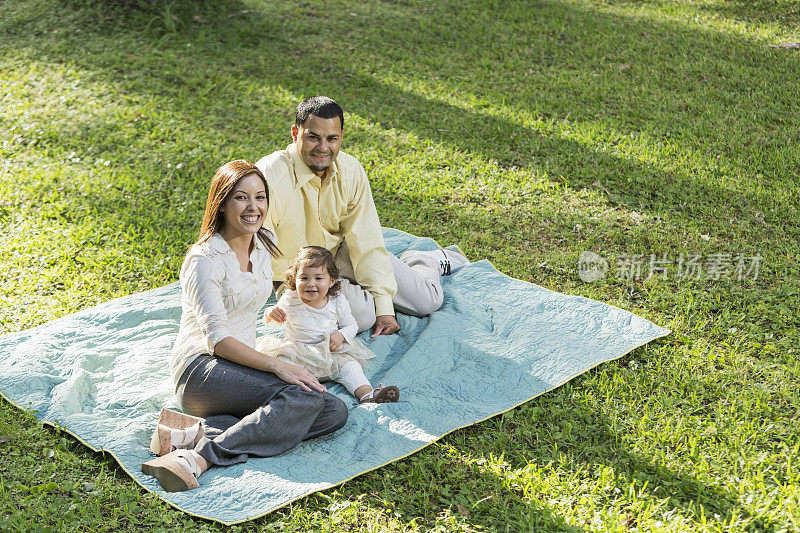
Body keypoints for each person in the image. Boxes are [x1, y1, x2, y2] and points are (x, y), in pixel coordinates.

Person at [141, 160, 348, 492]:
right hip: (200, 371)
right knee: (299, 396)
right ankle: (198, 458)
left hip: (239, 368)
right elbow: (218, 341)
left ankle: (195, 433)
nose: (254, 207)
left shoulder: (264, 240)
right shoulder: (203, 260)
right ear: (222, 204)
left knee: (333, 410)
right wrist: (278, 365)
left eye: (261, 197)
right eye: (241, 197)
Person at [255, 96, 469, 338]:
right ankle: (367, 289)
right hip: (299, 276)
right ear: (295, 133)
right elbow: (257, 243)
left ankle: (422, 261)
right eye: (313, 137)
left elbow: (366, 240)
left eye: (332, 139)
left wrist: (385, 307)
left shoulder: (351, 169)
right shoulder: (269, 173)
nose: (323, 147)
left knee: (427, 301)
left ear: (341, 136)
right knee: (364, 316)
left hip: (341, 254)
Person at [258, 246, 400, 403]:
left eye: (318, 278)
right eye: (304, 278)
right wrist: (270, 313)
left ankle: (367, 393)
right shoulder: (291, 298)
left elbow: (351, 325)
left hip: (329, 353)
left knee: (350, 366)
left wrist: (341, 335)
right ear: (294, 279)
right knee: (281, 364)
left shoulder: (337, 301)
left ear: (331, 281)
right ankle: (293, 395)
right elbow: (274, 318)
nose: (310, 284)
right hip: (298, 352)